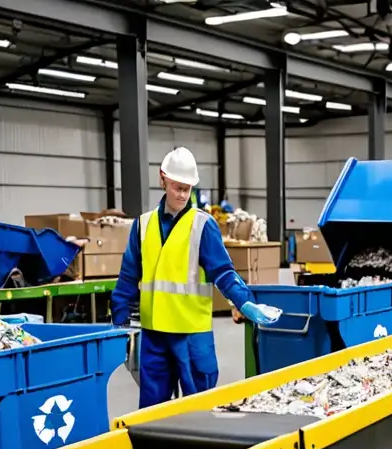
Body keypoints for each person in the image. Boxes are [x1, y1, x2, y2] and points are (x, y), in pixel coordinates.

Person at [111, 147, 277, 408]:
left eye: (188, 189)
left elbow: (223, 271)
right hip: (155, 335)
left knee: (199, 409)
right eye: (177, 187)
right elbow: (128, 275)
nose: (182, 195)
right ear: (162, 179)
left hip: (191, 335)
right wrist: (119, 317)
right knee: (152, 413)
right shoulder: (142, 225)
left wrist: (244, 302)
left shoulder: (203, 225)